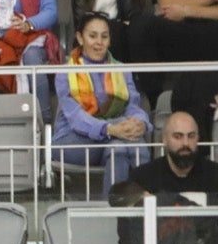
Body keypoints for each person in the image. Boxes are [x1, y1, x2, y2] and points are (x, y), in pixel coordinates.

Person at [53, 12, 154, 197]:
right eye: (92, 36)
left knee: (120, 147)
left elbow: (132, 105)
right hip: (73, 139)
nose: (99, 42)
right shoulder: (65, 72)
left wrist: (140, 123)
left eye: (104, 36)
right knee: (126, 143)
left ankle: (121, 215)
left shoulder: (121, 69)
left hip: (116, 137)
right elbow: (76, 118)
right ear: (79, 38)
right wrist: (109, 129)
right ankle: (143, 209)